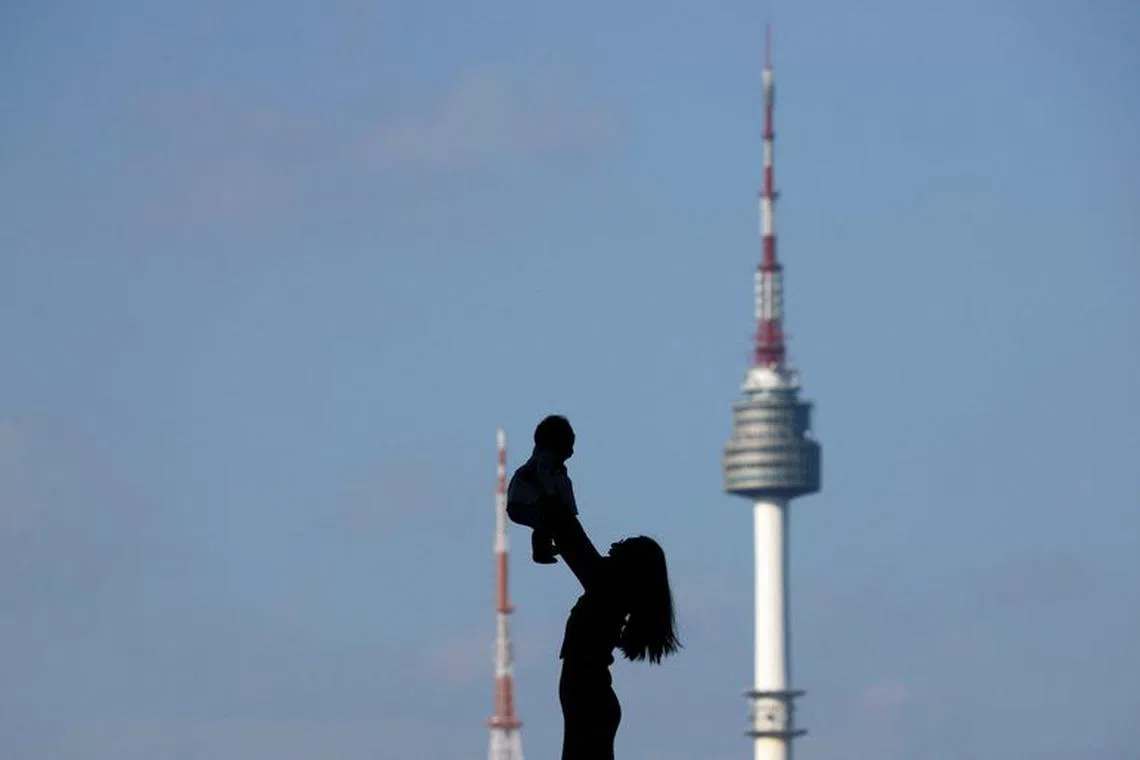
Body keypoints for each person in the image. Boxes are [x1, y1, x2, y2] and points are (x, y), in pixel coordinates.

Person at [546, 507, 681, 760]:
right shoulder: (609, 590)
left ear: (630, 568)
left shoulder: (605, 589)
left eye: (622, 546)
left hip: (589, 697)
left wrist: (552, 491)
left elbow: (568, 531)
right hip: (592, 697)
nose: (612, 546)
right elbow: (568, 534)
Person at [506, 415, 578, 564]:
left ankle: (546, 547)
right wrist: (551, 494)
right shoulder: (545, 461)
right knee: (546, 522)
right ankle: (541, 551)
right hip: (525, 503)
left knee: (548, 522)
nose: (571, 451)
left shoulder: (552, 466)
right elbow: (543, 475)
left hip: (522, 503)